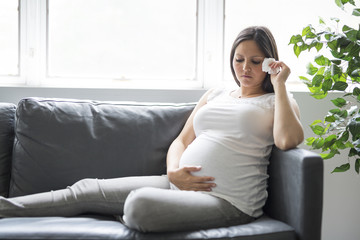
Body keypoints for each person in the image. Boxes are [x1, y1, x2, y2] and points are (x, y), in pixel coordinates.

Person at [0, 26, 304, 233]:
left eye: (255, 61)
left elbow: (288, 140)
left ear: (269, 63)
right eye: (239, 60)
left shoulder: (277, 100)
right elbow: (182, 141)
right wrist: (173, 172)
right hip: (176, 184)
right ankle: (5, 209)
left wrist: (279, 85)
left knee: (139, 204)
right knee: (87, 188)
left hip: (227, 200)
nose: (245, 68)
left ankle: (135, 211)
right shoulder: (216, 94)